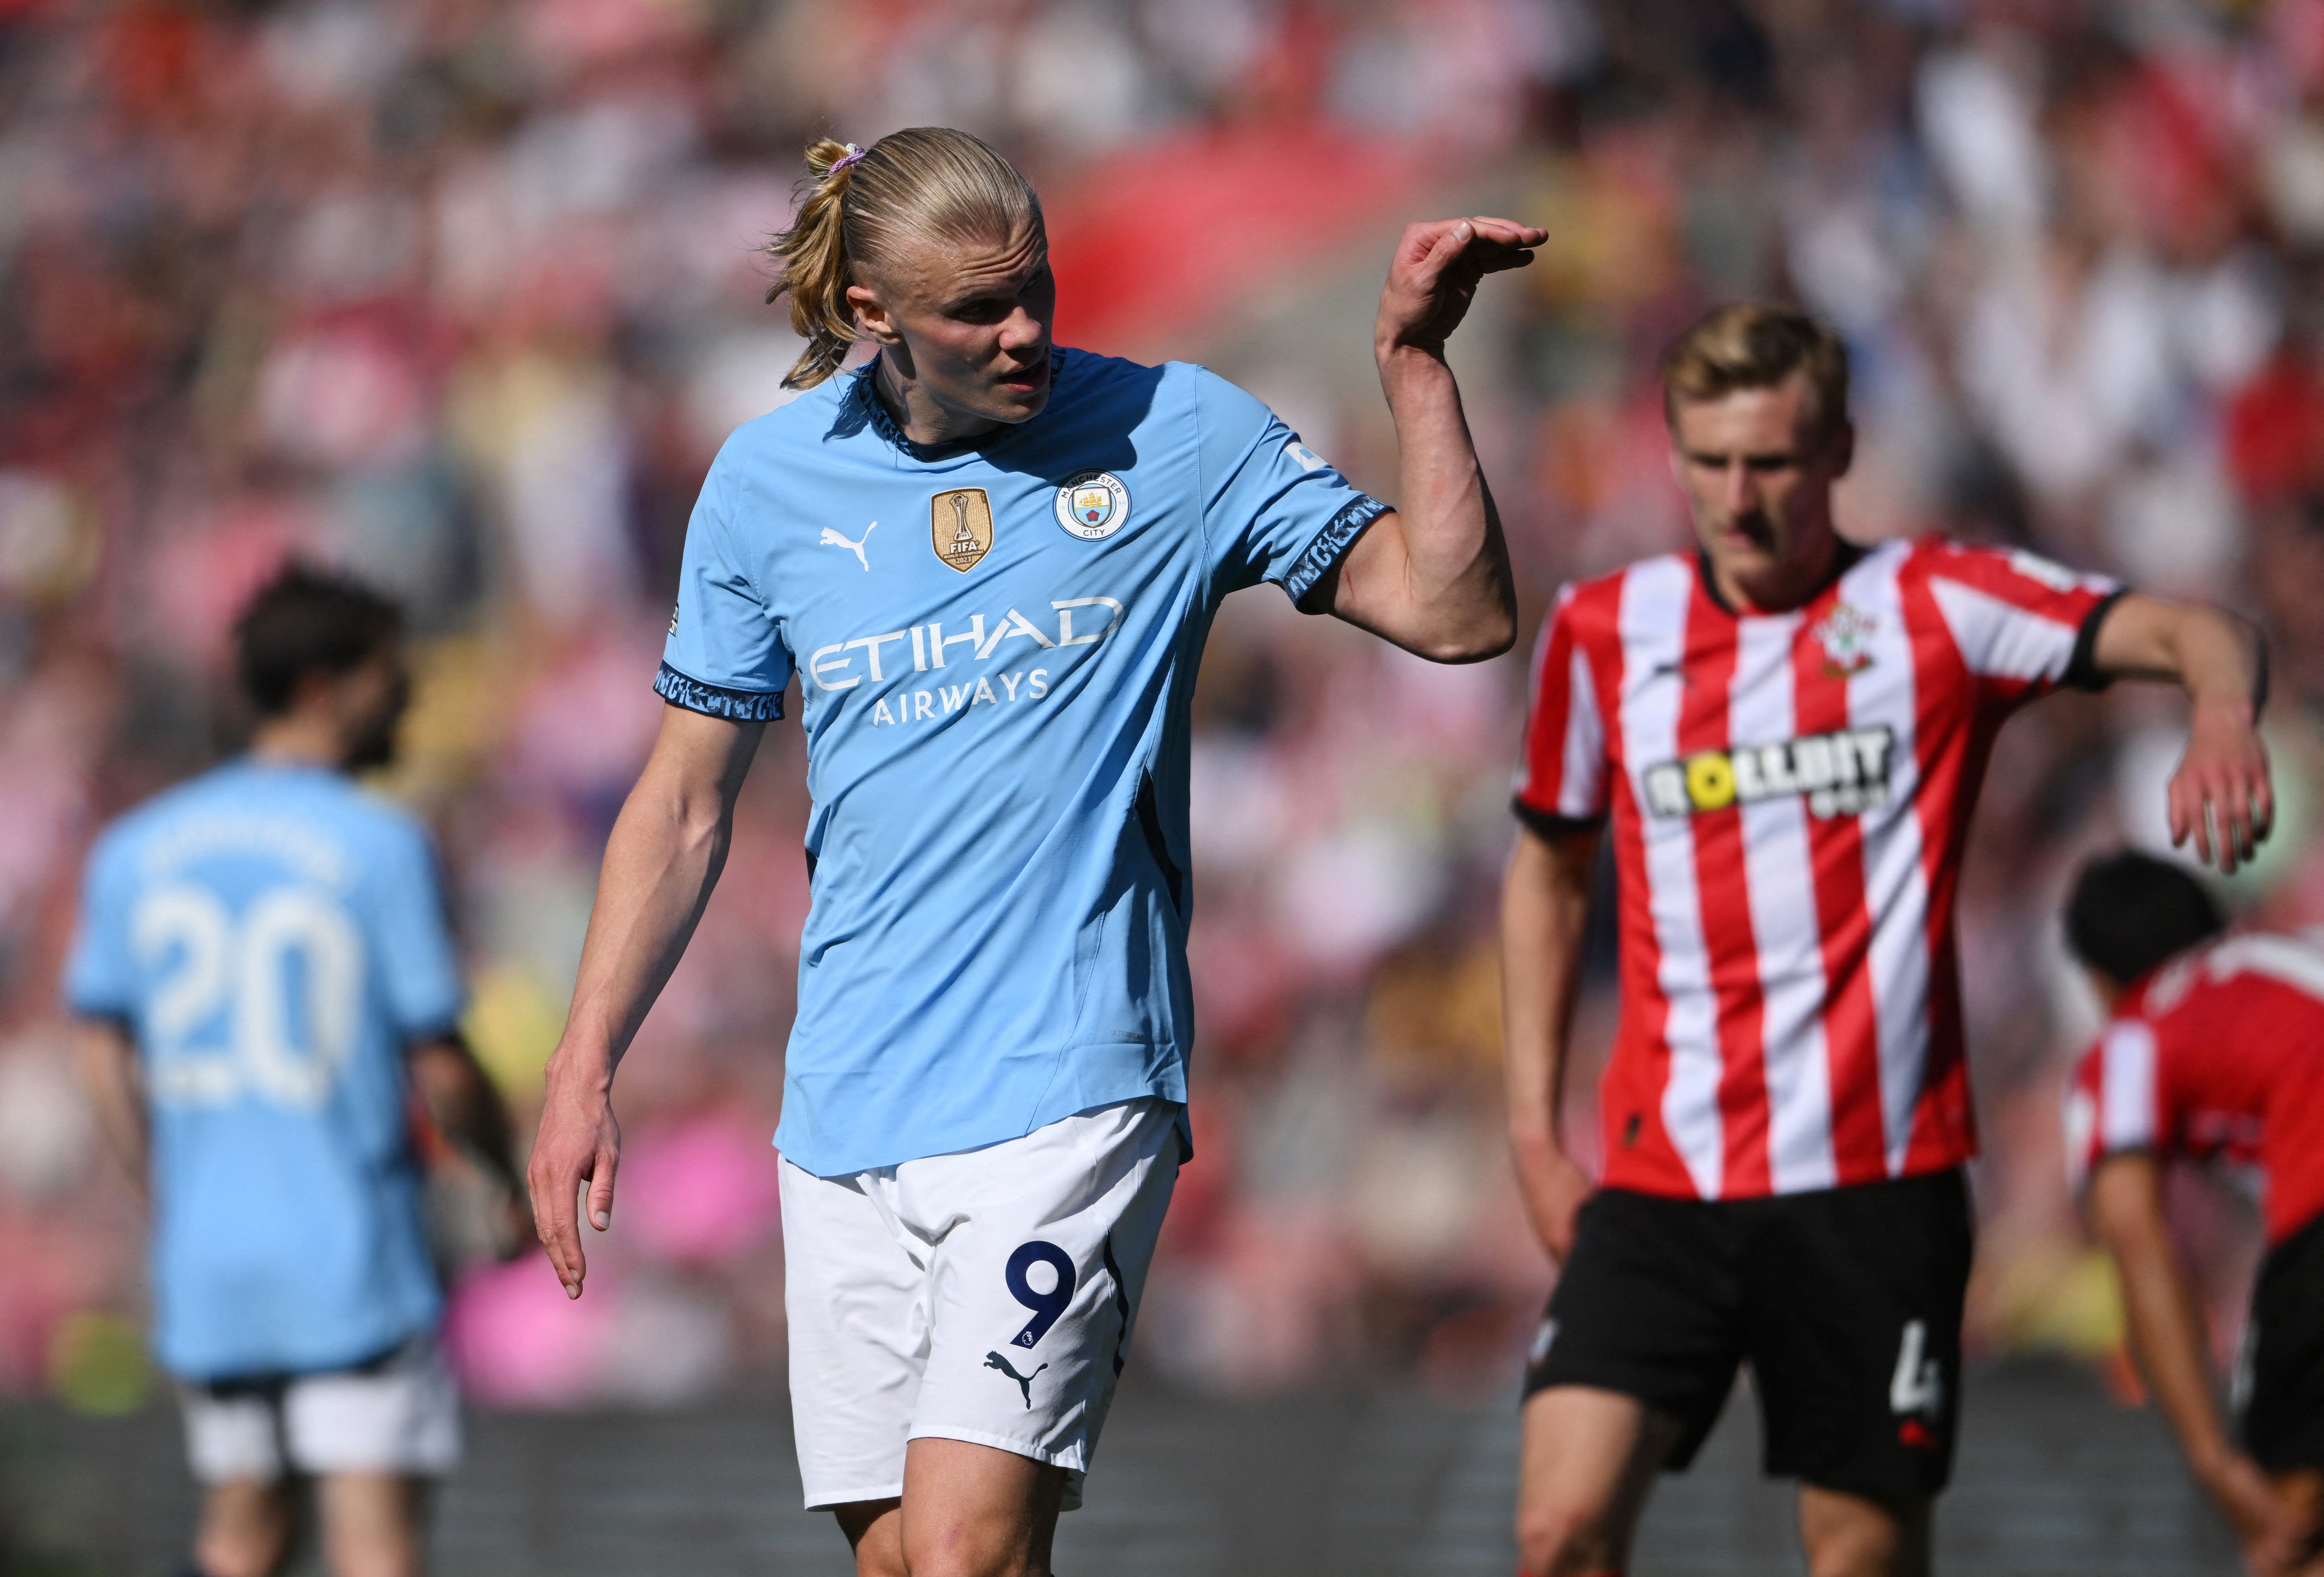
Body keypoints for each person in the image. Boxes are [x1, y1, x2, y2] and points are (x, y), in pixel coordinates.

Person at [523, 125, 1536, 1577]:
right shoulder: (763, 489)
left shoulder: (1177, 434)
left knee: (959, 1560)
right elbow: (686, 801)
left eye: (1039, 289)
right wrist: (582, 1064)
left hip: (1068, 1085)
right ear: (871, 317)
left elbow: (1453, 613)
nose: (1027, 332)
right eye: (978, 311)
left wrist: (1413, 367)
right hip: (846, 1114)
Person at [1499, 302, 2273, 1577]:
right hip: (1659, 1183)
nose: (1736, 499)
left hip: (1871, 1184)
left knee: (1857, 1560)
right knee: (1556, 1528)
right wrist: (1533, 1131)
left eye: (1770, 463)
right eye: (1708, 463)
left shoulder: (1933, 607)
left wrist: (2223, 717)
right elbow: (1543, 872)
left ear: (1838, 452)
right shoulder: (1600, 633)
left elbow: (2194, 628)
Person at [65, 567, 518, 1577]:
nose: (407, 697)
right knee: (375, 1545)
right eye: (390, 674)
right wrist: (505, 1170)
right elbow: (439, 1062)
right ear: (324, 687)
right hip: (345, 1250)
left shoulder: (135, 851)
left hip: (211, 1258)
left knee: (241, 1536)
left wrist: (163, 1190)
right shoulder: (377, 843)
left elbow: (101, 1046)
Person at [2063, 850, 2324, 1577]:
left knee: (2288, 1535)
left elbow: (2133, 1234)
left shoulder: (2134, 1034)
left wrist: (2214, 1462)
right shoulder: (2290, 956)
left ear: (2097, 981)